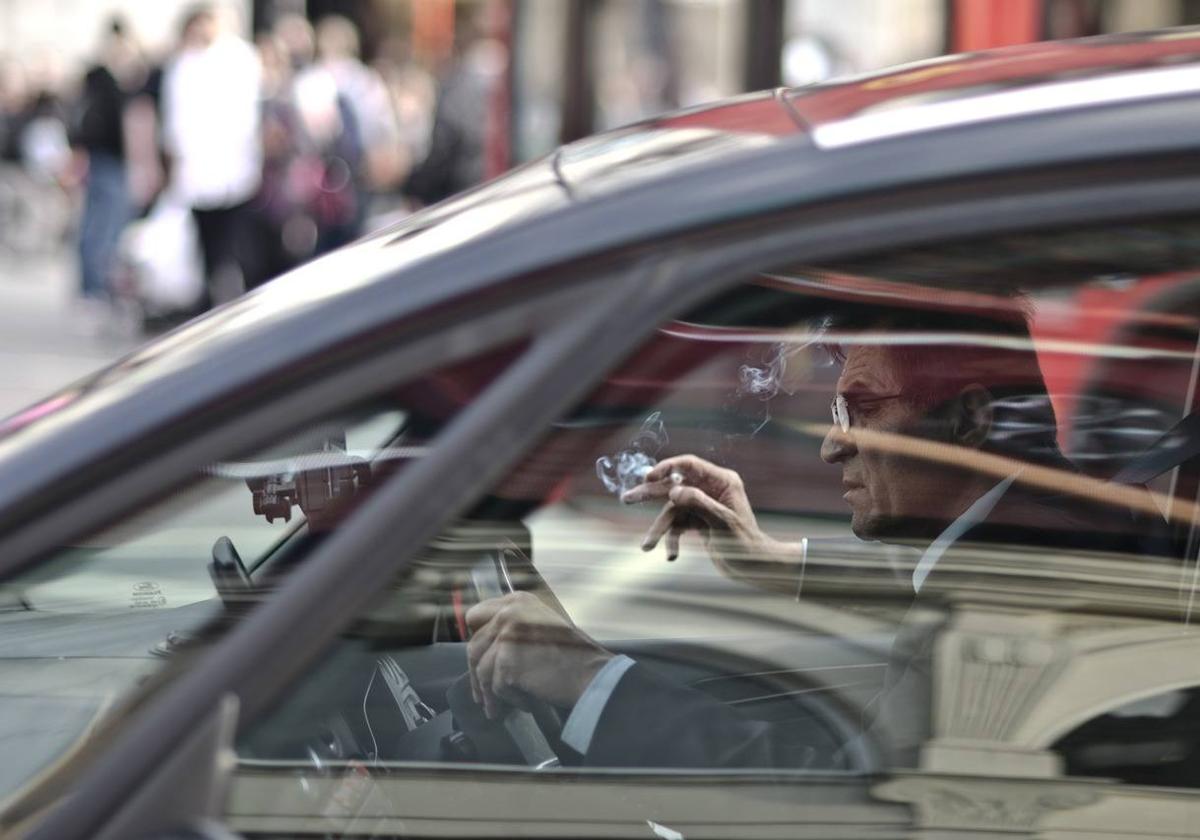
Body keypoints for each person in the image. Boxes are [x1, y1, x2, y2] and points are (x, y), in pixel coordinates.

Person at [464, 304, 1170, 769]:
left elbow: (831, 805)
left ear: (968, 422)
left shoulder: (1029, 598)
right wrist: (775, 563)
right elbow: (945, 578)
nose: (834, 448)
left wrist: (592, 681)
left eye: (860, 410)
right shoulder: (1048, 524)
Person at [161, 4, 262, 306]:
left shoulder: (238, 59)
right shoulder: (184, 65)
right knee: (205, 239)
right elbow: (175, 123)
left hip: (233, 170)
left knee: (230, 239)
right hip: (199, 172)